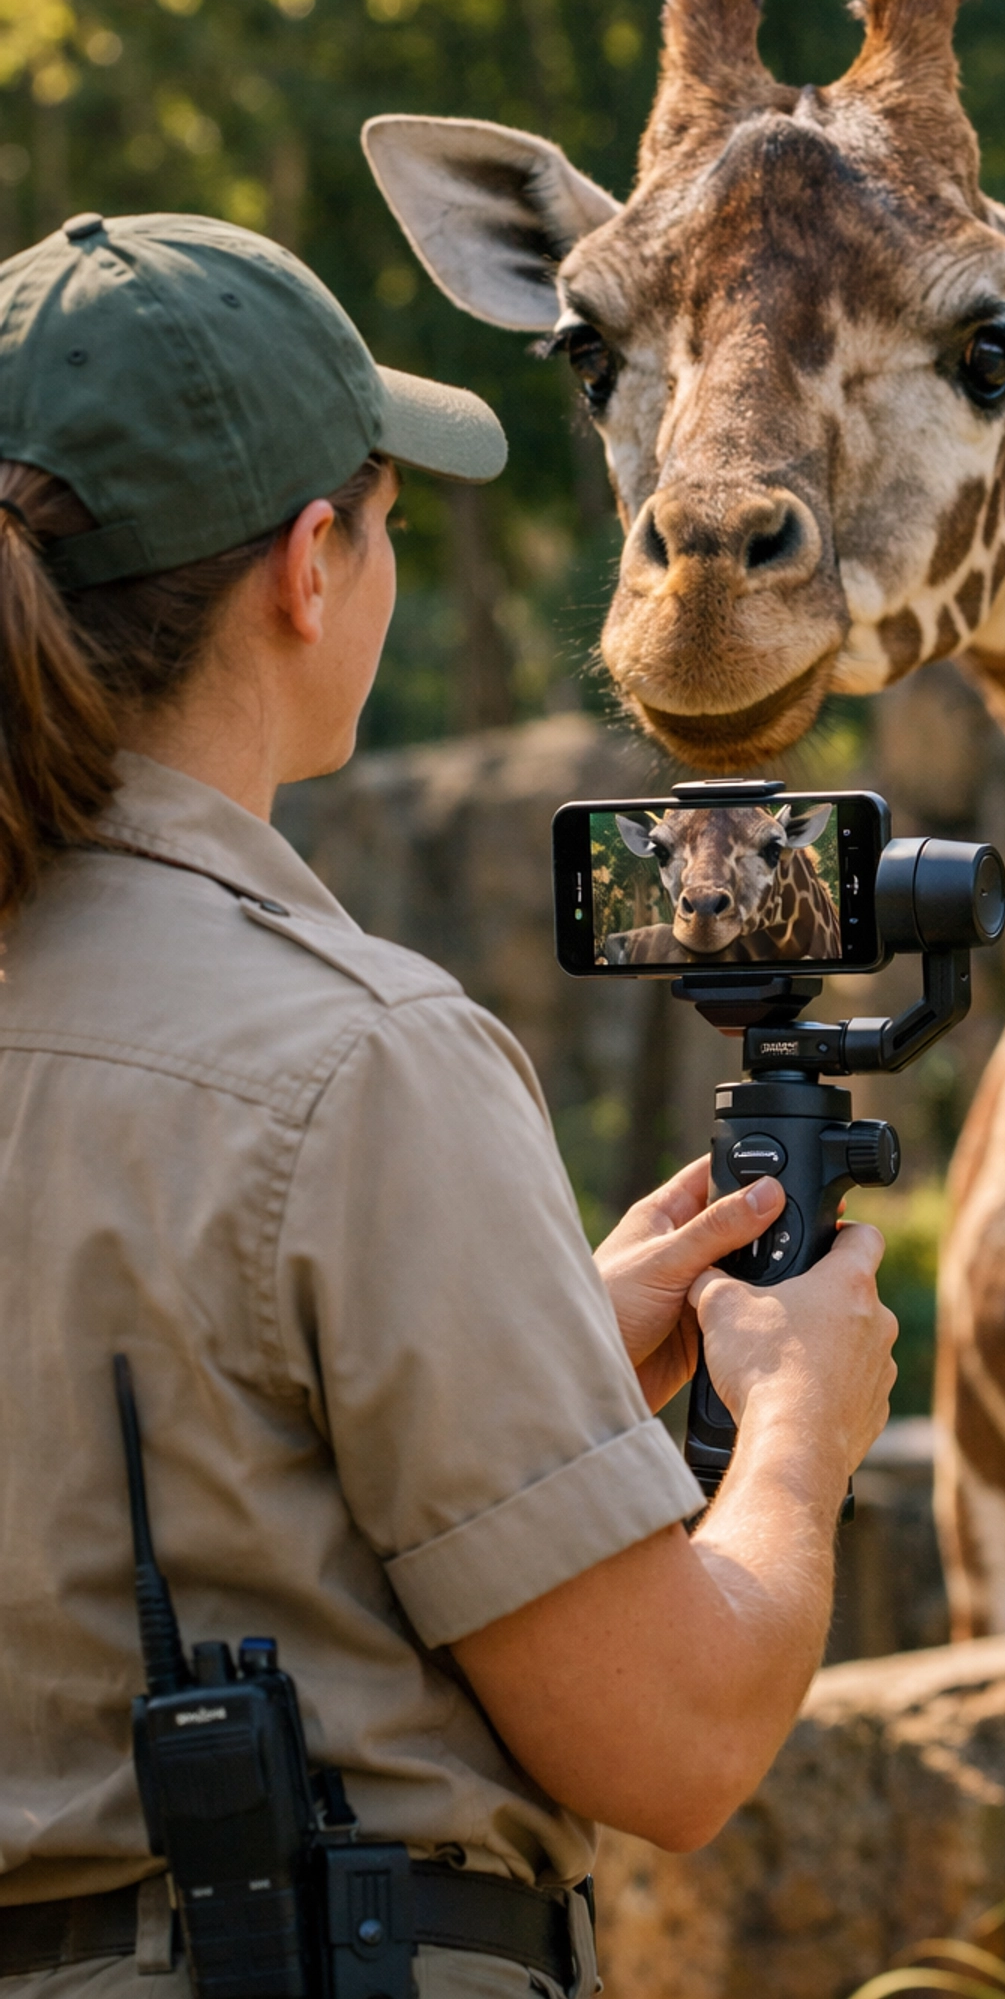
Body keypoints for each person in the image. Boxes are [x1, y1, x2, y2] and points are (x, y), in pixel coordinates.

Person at [0, 212, 898, 1998]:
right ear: (311, 567)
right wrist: (802, 1425)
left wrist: (550, 1338)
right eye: (395, 520)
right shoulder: (353, 1067)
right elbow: (678, 1739)